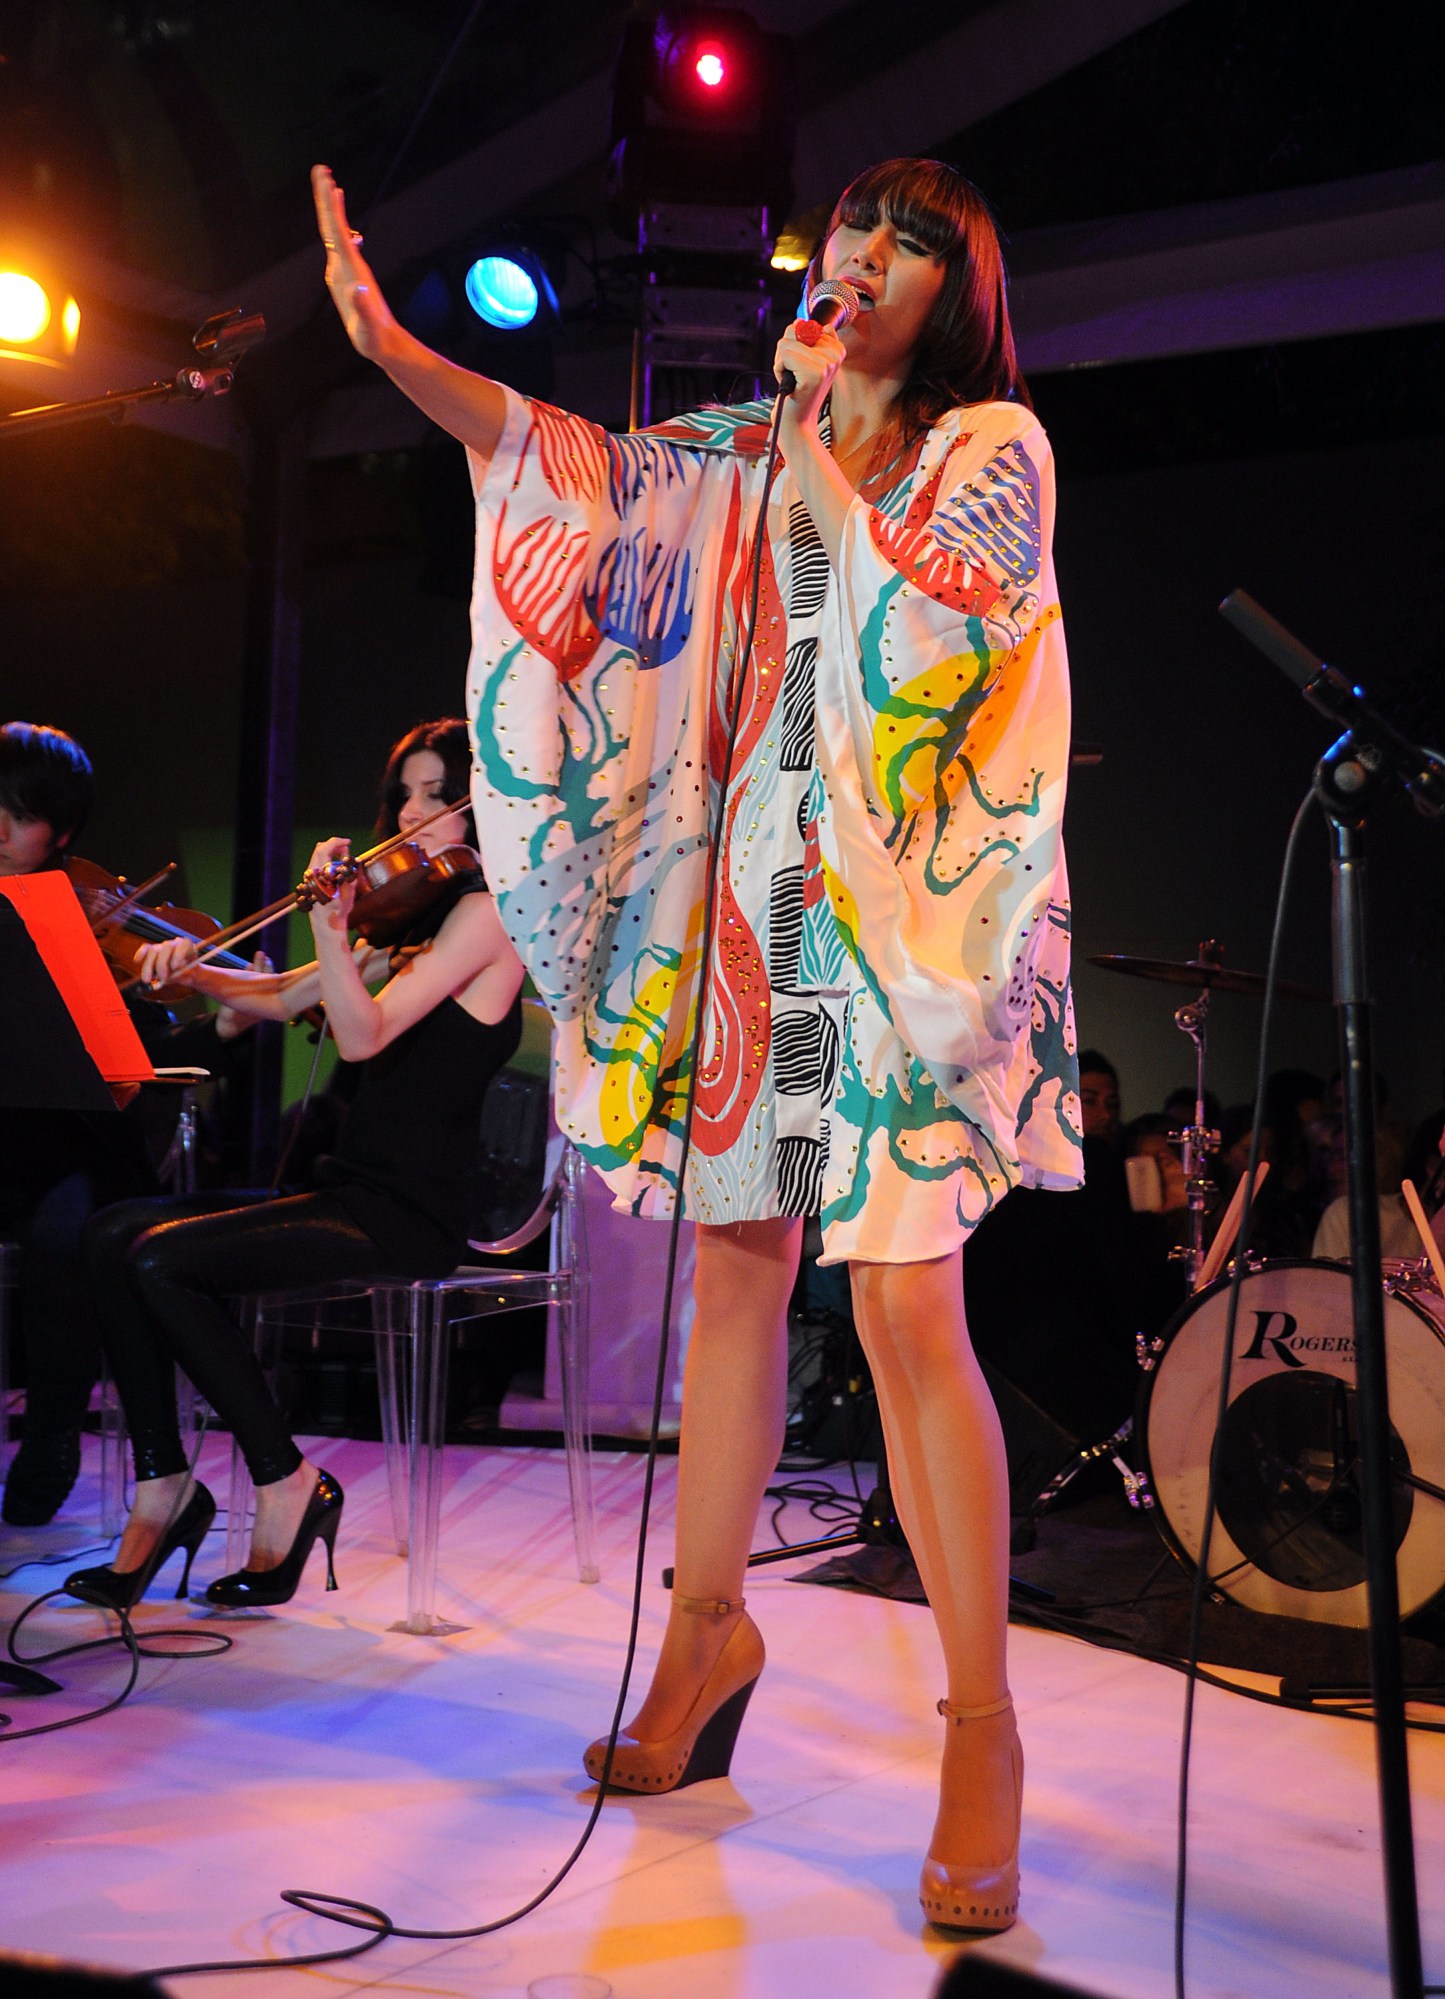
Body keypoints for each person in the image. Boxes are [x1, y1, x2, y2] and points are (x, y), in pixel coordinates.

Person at [315, 157, 1081, 1932]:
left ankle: (983, 1725)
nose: (862, 259)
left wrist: (815, 433)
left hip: (905, 917)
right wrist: (392, 348)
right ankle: (704, 1637)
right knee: (730, 1270)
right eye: (853, 233)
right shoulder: (742, 442)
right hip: (756, 900)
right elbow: (569, 464)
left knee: (900, 1303)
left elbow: (933, 632)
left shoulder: (993, 448)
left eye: (903, 241)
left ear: (954, 282)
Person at [67, 719, 525, 1613]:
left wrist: (327, 918)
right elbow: (285, 996)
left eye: (436, 793)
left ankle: (285, 1480)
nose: (411, 811)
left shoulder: (488, 916)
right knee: (108, 1233)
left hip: (411, 1210)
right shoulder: (407, 919)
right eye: (404, 793)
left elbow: (359, 1034)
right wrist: (187, 969)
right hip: (350, 1186)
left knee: (160, 1259)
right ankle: (165, 1484)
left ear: (483, 807)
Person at [0, 722, 255, 1526]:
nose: (0, 827)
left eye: (22, 812)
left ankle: (51, 1432)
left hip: (81, 1141)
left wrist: (218, 1018)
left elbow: (145, 1055)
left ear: (63, 831)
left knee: (61, 1238)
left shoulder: (84, 912)